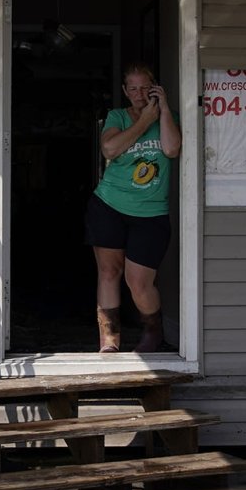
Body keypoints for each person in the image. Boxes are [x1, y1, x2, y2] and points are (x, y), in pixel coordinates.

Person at [84, 62, 180, 352]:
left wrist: (161, 111)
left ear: (155, 87)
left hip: (151, 213)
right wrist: (142, 121)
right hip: (109, 205)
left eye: (145, 88)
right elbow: (110, 149)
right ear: (126, 91)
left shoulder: (169, 117)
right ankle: (109, 342)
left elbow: (172, 149)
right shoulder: (117, 117)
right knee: (109, 272)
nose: (139, 94)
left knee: (138, 281)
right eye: (133, 89)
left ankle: (153, 332)